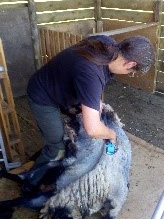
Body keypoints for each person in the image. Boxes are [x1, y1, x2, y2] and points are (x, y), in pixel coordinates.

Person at [27, 35, 155, 168]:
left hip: (63, 85)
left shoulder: (107, 44)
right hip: (43, 95)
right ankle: (32, 181)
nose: (129, 74)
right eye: (131, 72)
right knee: (57, 148)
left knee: (82, 122)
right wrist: (112, 134)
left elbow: (96, 83)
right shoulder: (91, 74)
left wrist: (98, 104)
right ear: (130, 64)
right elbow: (92, 129)